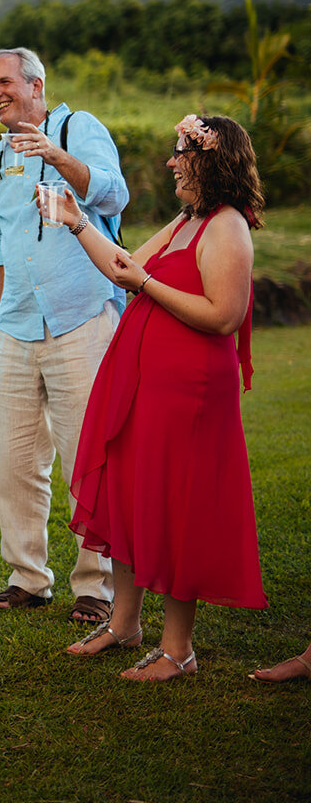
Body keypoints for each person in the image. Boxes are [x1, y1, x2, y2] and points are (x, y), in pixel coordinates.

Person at [61, 113, 266, 680]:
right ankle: (125, 624)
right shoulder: (185, 221)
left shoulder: (227, 227)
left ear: (209, 160)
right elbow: (122, 268)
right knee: (132, 493)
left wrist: (147, 286)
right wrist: (76, 221)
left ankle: (180, 649)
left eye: (182, 152)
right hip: (145, 385)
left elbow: (224, 317)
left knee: (179, 505)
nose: (173, 162)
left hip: (192, 392)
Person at [0, 47, 128, 622]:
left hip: (81, 316)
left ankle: (95, 586)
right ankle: (28, 577)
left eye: (4, 81)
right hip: (17, 324)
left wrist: (55, 153)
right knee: (14, 462)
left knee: (87, 457)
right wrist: (2, 305)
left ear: (36, 84)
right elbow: (3, 237)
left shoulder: (77, 127)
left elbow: (114, 194)